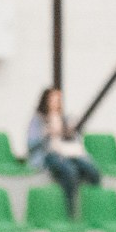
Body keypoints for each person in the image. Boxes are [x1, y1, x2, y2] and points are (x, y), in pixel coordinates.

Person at [27, 86, 101, 217]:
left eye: (59, 99)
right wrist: (46, 133)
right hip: (49, 154)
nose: (57, 102)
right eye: (54, 99)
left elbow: (76, 141)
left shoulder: (65, 119)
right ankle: (71, 211)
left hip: (69, 153)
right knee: (70, 171)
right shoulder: (38, 120)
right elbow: (32, 144)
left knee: (93, 172)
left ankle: (93, 210)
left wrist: (69, 131)